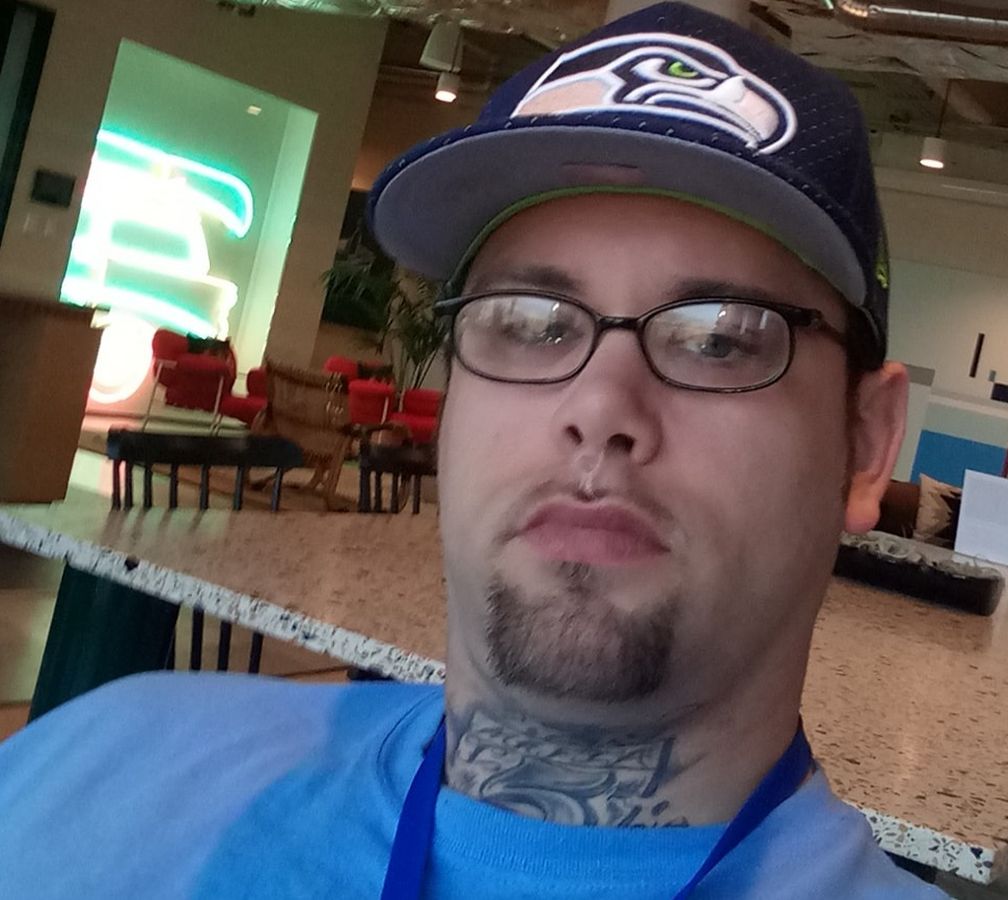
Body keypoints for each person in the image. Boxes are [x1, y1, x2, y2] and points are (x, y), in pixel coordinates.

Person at [0, 3, 949, 897]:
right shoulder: (100, 763)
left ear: (865, 446)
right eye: (529, 321)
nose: (599, 407)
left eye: (721, 337)